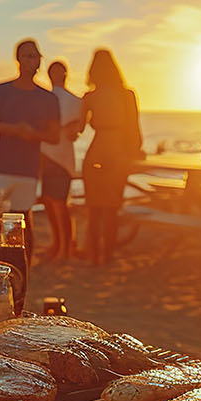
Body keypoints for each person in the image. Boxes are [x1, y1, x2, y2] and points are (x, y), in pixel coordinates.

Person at [0, 39, 61, 242]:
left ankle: (22, 270)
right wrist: (12, 129)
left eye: (37, 56)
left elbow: (54, 136)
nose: (34, 61)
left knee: (21, 223)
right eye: (28, 56)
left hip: (28, 170)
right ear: (18, 60)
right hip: (0, 166)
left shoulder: (49, 99)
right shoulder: (1, 90)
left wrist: (31, 133)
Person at [78, 49, 143, 265]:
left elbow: (77, 127)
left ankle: (93, 256)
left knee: (94, 208)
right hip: (117, 153)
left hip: (96, 150)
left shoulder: (89, 97)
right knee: (111, 208)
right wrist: (133, 152)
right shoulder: (127, 95)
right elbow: (134, 128)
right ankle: (107, 255)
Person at [40, 60, 83, 259]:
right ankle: (58, 245)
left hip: (61, 157)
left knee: (59, 204)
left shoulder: (74, 100)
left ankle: (65, 248)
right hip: (45, 155)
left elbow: (78, 126)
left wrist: (74, 129)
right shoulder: (44, 99)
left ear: (65, 74)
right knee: (49, 202)